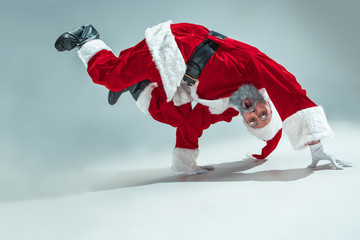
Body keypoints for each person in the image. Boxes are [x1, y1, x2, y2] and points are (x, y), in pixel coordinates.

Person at [55, 21, 351, 174]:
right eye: (263, 113)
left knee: (174, 114)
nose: (253, 113)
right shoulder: (254, 67)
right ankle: (87, 36)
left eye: (253, 121)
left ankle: (135, 85)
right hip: (176, 47)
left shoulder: (225, 107)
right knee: (107, 75)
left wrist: (187, 164)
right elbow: (291, 91)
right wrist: (315, 147)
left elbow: (191, 124)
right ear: (265, 102)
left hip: (177, 77)